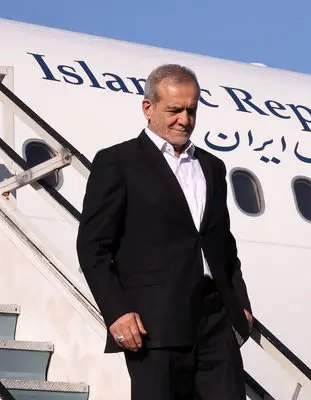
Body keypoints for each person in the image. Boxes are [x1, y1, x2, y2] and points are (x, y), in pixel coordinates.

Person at [76, 64, 253, 399]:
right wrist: (116, 312)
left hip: (215, 318)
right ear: (148, 107)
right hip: (154, 321)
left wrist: (240, 302)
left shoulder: (212, 167)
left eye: (191, 110)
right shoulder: (118, 161)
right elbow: (93, 246)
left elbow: (223, 245)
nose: (184, 120)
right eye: (174, 110)